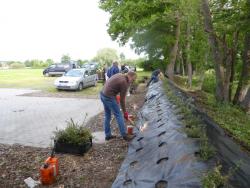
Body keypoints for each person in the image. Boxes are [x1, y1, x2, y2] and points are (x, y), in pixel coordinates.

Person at [100, 71, 137, 141]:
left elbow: (112, 84)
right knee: (119, 115)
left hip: (103, 94)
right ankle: (125, 135)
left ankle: (108, 135)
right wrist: (125, 113)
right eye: (133, 79)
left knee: (107, 115)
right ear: (130, 76)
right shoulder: (124, 83)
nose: (132, 81)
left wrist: (115, 97)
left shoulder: (120, 74)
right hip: (108, 97)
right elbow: (122, 100)